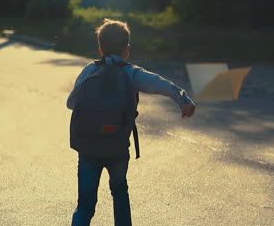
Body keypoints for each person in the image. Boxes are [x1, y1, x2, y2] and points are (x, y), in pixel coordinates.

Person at [67, 19, 196, 226]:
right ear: (127, 50)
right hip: (116, 147)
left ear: (100, 49)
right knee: (119, 192)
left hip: (88, 147)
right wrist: (184, 101)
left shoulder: (89, 71)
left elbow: (72, 103)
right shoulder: (132, 73)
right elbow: (161, 84)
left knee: (85, 205)